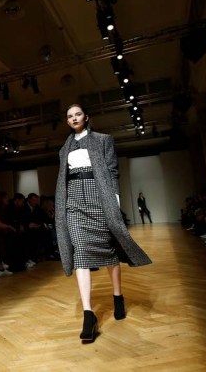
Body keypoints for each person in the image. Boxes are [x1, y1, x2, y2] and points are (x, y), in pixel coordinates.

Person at [55, 103, 152, 342]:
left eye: (78, 114)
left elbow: (113, 171)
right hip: (75, 200)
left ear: (86, 117)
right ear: (67, 121)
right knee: (80, 251)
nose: (74, 118)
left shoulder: (103, 140)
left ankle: (118, 295)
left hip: (100, 196)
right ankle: (88, 314)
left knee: (109, 250)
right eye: (70, 116)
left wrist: (114, 202)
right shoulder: (63, 149)